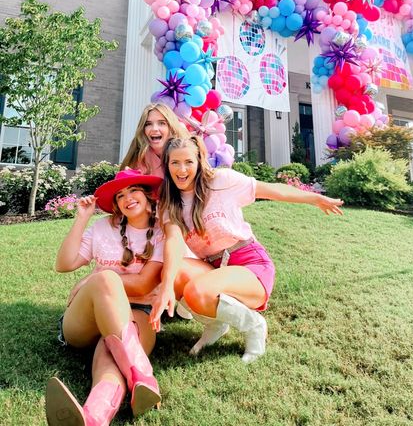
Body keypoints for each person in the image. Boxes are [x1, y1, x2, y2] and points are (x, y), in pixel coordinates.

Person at [150, 136, 344, 364]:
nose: (182, 169)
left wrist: (314, 198)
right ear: (167, 164)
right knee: (172, 274)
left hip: (250, 264)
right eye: (175, 163)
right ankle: (216, 325)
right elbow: (173, 241)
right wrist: (165, 287)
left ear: (199, 161)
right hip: (213, 266)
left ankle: (254, 325)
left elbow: (271, 190)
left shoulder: (220, 181)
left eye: (188, 162)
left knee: (198, 291)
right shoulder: (170, 201)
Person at [45, 168, 213, 426]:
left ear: (148, 198)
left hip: (139, 314)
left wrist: (92, 278)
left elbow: (144, 283)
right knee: (106, 279)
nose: (127, 198)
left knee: (114, 356)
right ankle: (144, 376)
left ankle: (94, 417)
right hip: (86, 320)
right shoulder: (103, 227)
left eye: (134, 190)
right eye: (120, 195)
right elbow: (63, 264)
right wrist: (81, 219)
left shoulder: (161, 233)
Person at [120, 102, 188, 177]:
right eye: (148, 124)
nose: (154, 129)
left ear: (171, 127)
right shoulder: (137, 157)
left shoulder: (186, 153)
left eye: (161, 123)